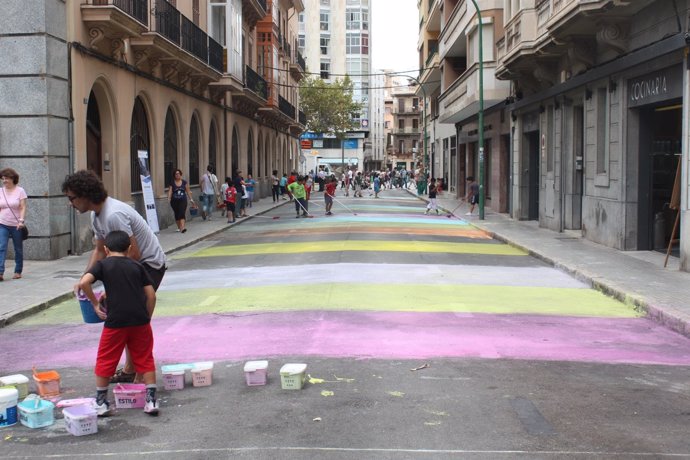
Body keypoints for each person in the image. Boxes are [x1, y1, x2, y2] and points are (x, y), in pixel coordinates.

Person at [62, 170, 166, 384]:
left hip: (148, 264)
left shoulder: (113, 214)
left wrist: (113, 290)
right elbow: (100, 251)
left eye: (71, 198)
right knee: (126, 315)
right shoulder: (96, 215)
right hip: (132, 264)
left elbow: (132, 255)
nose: (70, 203)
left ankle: (139, 371)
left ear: (85, 194)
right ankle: (131, 368)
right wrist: (85, 278)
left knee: (133, 317)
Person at [78, 230, 159, 417]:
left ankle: (101, 402)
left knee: (106, 358)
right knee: (145, 357)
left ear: (106, 249)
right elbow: (151, 295)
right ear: (129, 248)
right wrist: (146, 316)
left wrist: (95, 303)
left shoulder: (103, 265)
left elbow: (84, 283)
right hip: (140, 321)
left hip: (115, 322)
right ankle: (151, 400)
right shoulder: (137, 266)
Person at [0, 168, 27, 281]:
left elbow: (23, 207)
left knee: (18, 248)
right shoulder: (0, 191)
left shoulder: (20, 191)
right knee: (1, 247)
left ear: (13, 179)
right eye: (3, 178)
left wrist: (21, 221)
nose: (4, 180)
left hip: (16, 225)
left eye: (7, 178)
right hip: (2, 223)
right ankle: (0, 272)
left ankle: (18, 271)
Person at [167, 169, 194, 233]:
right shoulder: (172, 183)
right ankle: (179, 227)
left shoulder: (184, 182)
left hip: (183, 200)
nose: (177, 175)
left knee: (182, 212)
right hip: (174, 201)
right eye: (176, 174)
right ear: (174, 175)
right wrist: (169, 198)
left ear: (180, 174)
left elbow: (188, 191)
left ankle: (182, 227)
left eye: (178, 173)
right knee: (177, 214)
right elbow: (170, 191)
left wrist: (191, 199)